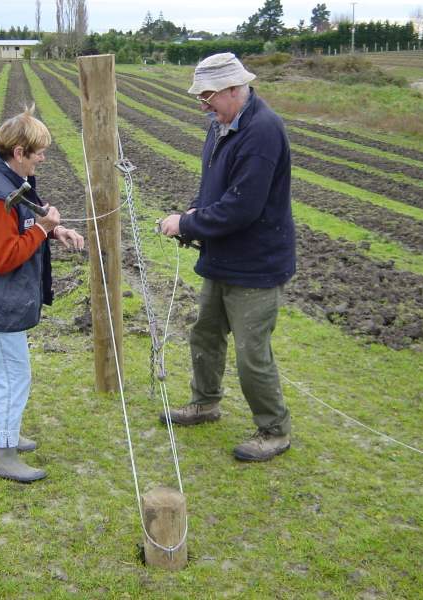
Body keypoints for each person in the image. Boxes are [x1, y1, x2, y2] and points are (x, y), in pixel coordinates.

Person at [158, 53, 296, 462]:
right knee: (205, 333)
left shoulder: (262, 133)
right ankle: (205, 403)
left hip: (256, 261)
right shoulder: (221, 125)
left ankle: (274, 430)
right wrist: (195, 214)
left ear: (235, 89)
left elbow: (242, 207)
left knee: (252, 352)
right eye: (200, 96)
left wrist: (187, 224)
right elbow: (215, 188)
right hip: (223, 255)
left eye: (208, 96)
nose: (203, 105)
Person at [0, 106, 84, 482]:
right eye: (39, 151)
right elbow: (4, 257)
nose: (43, 158)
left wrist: (55, 231)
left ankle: (6, 435)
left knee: (11, 372)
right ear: (19, 152)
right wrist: (42, 230)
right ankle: (2, 455)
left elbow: (23, 221)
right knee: (9, 375)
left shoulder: (5, 179)